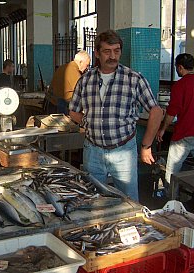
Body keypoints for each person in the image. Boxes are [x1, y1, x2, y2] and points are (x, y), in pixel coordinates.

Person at [69, 30, 163, 201]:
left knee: (129, 201)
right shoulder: (85, 80)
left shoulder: (133, 79)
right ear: (97, 53)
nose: (113, 56)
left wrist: (146, 145)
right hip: (93, 152)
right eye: (107, 51)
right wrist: (89, 122)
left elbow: (156, 112)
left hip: (123, 151)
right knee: (93, 200)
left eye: (116, 51)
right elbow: (73, 110)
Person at [156, 53, 194, 188]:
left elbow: (172, 112)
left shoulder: (180, 85)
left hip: (184, 135)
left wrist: (162, 129)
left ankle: (171, 200)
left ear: (179, 67)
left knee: (172, 172)